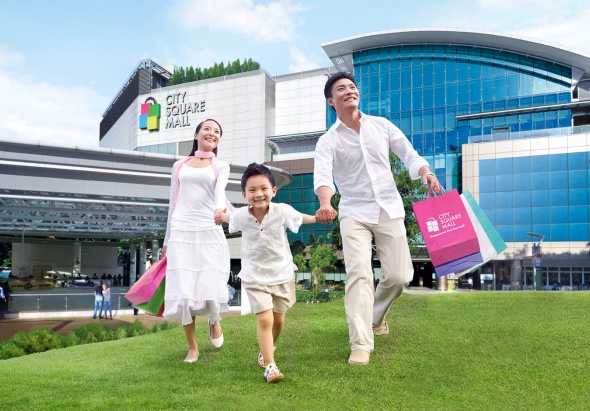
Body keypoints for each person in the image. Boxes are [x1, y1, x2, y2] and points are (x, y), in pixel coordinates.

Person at [313, 72, 441, 366]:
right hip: (353, 213)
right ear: (331, 101)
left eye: (352, 87)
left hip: (388, 209)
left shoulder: (381, 126)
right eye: (341, 89)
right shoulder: (328, 141)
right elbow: (323, 176)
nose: (349, 91)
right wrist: (324, 201)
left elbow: (409, 154)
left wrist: (426, 173)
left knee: (399, 276)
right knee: (359, 275)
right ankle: (360, 343)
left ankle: (374, 318)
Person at [217, 163, 321, 383]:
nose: (258, 194)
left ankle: (267, 350)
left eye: (264, 188)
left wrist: (318, 218)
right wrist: (219, 212)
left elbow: (301, 218)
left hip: (282, 273)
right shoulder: (242, 216)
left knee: (279, 321)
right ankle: (271, 367)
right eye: (252, 190)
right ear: (244, 194)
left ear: (273, 191)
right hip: (255, 277)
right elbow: (229, 217)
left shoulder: (282, 211)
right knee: (264, 319)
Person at [162, 118, 231, 363]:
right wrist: (167, 239)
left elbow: (220, 190)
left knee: (211, 281)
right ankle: (192, 347)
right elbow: (173, 201)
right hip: (182, 228)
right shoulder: (179, 165)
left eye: (217, 131)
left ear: (219, 139)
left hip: (208, 226)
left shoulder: (221, 166)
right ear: (196, 134)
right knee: (184, 291)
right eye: (207, 129)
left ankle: (214, 320)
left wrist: (220, 208)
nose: (212, 133)